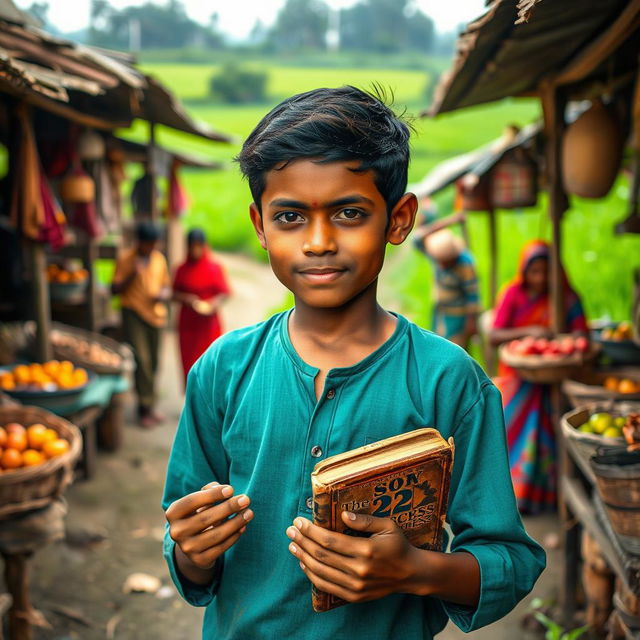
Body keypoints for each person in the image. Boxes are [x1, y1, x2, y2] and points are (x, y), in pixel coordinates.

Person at [162, 86, 544, 640]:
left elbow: (511, 560)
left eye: (348, 212)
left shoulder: (448, 381)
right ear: (260, 226)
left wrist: (417, 570)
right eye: (290, 216)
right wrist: (192, 551)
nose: (318, 242)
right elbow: (186, 545)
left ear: (399, 218)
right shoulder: (222, 369)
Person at [490, 240, 588, 514]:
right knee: (515, 420)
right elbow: (495, 335)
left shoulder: (566, 297)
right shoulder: (514, 295)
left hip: (558, 374)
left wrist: (569, 344)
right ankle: (516, 497)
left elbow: (582, 333)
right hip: (519, 375)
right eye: (535, 272)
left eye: (547, 271)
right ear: (525, 272)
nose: (541, 278)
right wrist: (530, 332)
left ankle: (551, 495)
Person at [112, 221, 170, 428]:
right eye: (149, 244)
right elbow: (114, 290)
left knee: (154, 362)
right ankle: (143, 409)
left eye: (155, 244)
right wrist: (132, 275)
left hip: (155, 315)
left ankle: (151, 405)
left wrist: (162, 294)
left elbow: (165, 285)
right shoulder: (126, 259)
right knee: (142, 361)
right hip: (134, 313)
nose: (152, 247)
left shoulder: (158, 259)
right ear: (140, 242)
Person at [413, 212, 480, 350]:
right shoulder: (437, 255)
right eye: (440, 262)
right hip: (440, 312)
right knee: (437, 348)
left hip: (458, 316)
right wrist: (449, 221)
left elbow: (473, 295)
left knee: (454, 351)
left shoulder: (465, 263)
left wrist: (471, 321)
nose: (442, 266)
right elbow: (416, 239)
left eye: (446, 262)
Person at [172, 228, 230, 384]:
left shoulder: (214, 268)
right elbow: (173, 293)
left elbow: (225, 292)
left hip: (209, 325)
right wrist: (186, 298)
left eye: (198, 246)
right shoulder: (181, 269)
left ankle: (211, 404)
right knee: (190, 363)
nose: (195, 250)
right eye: (192, 246)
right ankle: (192, 402)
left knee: (211, 362)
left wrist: (213, 304)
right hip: (188, 324)